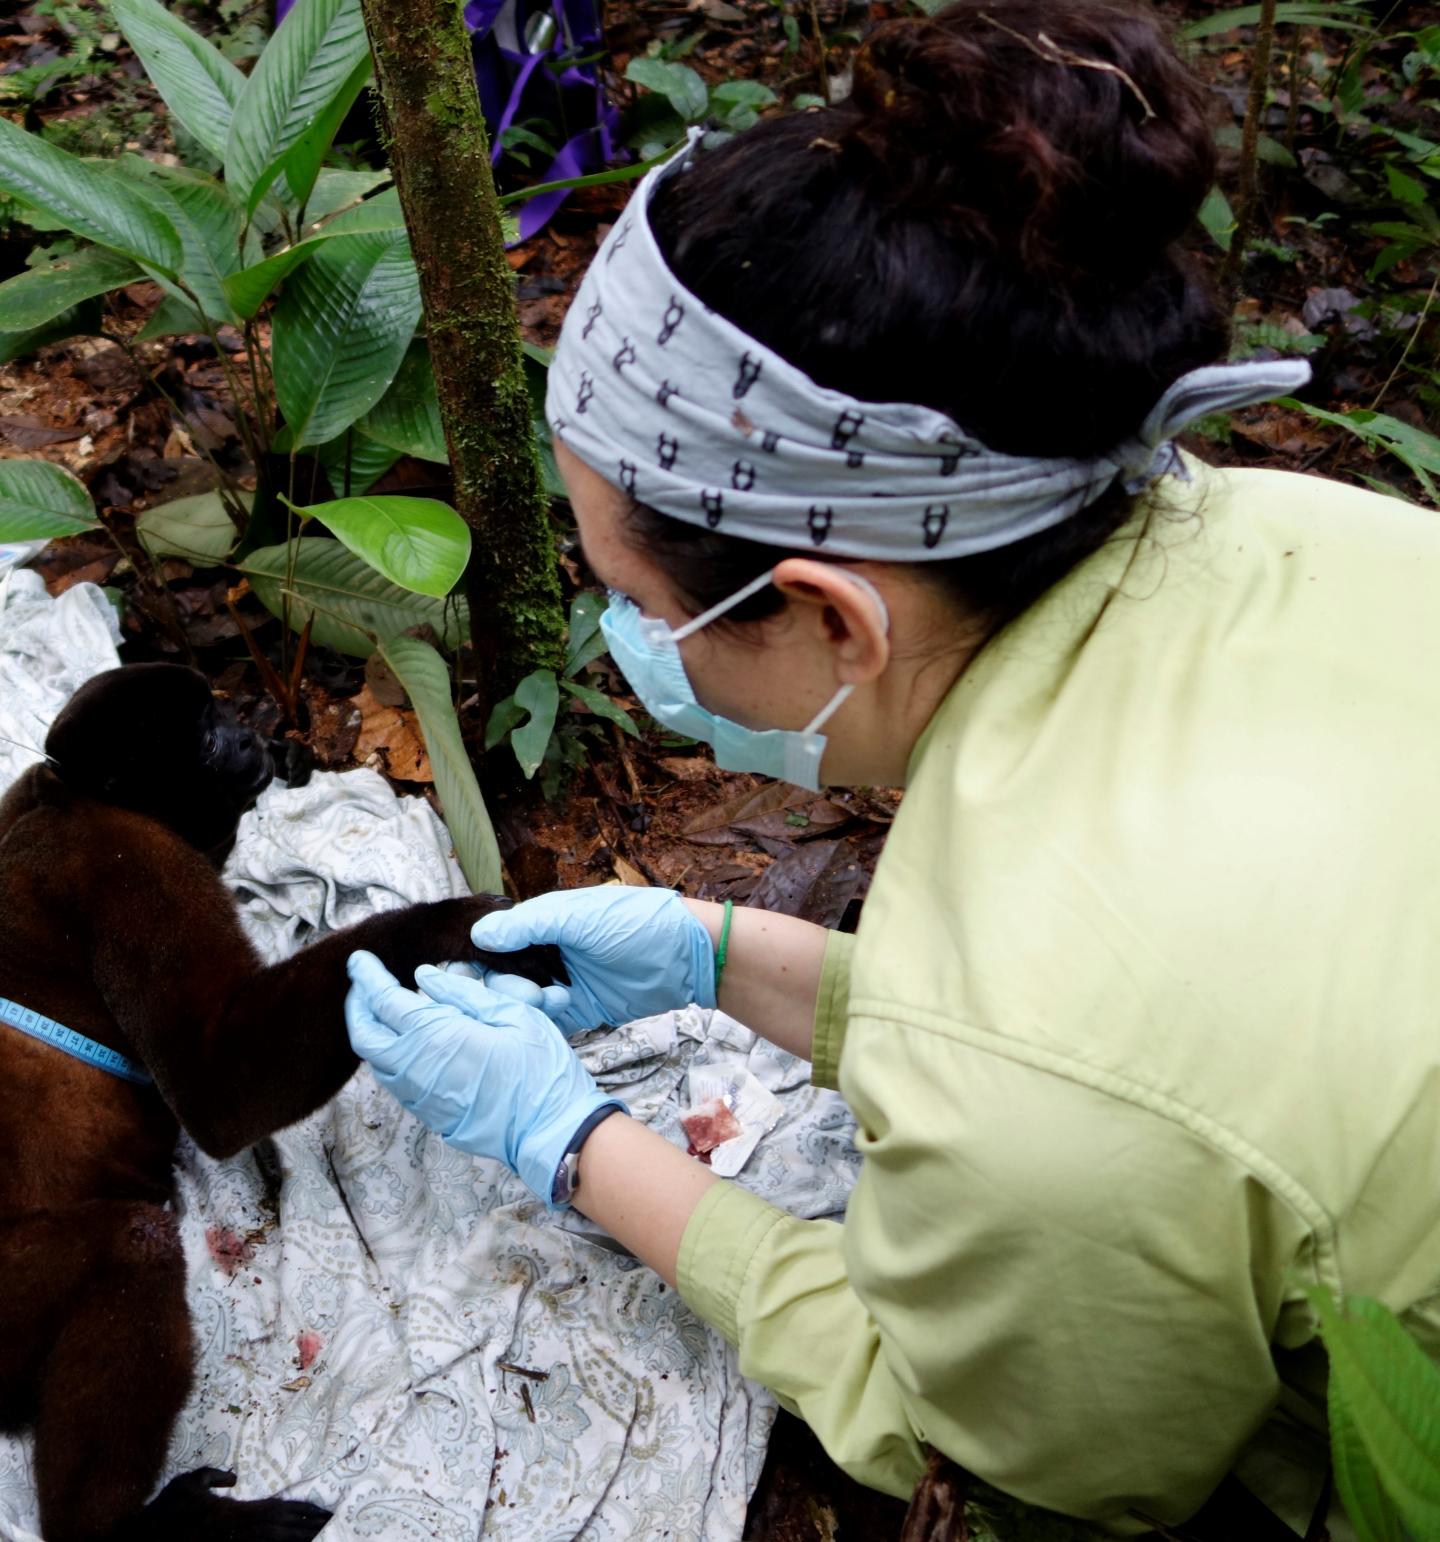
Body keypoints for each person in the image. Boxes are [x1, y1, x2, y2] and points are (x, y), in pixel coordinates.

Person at [342, 2, 1440, 1536]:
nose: (620, 644)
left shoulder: (1035, 1087)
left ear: (829, 612)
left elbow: (1010, 1456)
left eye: (643, 606)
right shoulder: (1319, 531)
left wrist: (573, 1143)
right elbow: (1167, 1050)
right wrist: (717, 955)